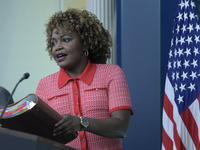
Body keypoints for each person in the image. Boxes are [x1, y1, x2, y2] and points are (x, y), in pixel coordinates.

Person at [36, 8, 133, 150]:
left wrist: (81, 122)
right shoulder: (44, 85)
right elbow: (41, 134)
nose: (57, 47)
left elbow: (121, 127)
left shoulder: (111, 73)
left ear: (86, 43)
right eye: (53, 43)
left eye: (65, 40)